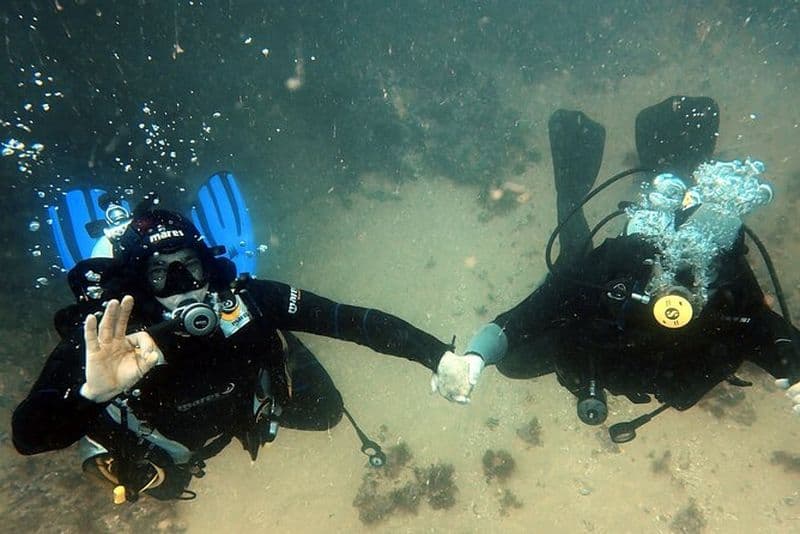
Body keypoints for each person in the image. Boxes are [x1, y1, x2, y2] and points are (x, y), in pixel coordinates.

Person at [13, 207, 459, 501]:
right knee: (162, 488)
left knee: (327, 411)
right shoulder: (108, 338)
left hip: (242, 408)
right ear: (139, 284)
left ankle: (277, 349)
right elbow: (28, 436)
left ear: (209, 267)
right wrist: (93, 393)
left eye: (189, 266)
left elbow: (349, 320)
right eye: (160, 273)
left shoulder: (244, 302)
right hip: (166, 443)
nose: (183, 284)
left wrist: (438, 356)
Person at [432, 96, 800, 442]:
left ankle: (677, 172)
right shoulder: (618, 264)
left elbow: (772, 333)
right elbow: (521, 318)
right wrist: (474, 358)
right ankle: (576, 212)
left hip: (647, 361)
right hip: (603, 347)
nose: (673, 297)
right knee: (515, 359)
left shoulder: (722, 276)